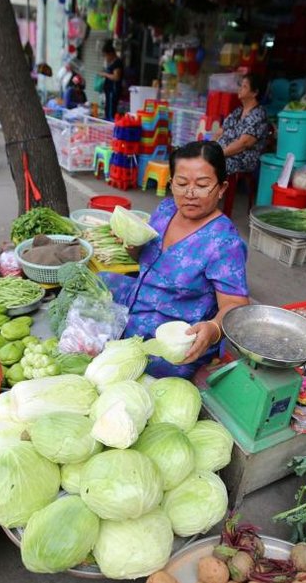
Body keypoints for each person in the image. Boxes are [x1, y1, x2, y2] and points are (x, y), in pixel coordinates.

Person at [102, 141, 251, 379]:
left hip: (171, 334)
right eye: (181, 184)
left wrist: (212, 329)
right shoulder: (166, 209)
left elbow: (235, 304)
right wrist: (132, 244)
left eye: (202, 185)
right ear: (171, 184)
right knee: (91, 291)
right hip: (134, 303)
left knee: (138, 372)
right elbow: (144, 259)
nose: (189, 193)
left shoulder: (224, 242)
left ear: (222, 188)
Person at [214, 73, 270, 175]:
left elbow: (243, 144)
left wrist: (219, 154)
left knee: (210, 166)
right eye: (240, 85)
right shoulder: (238, 111)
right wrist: (210, 148)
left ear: (254, 93)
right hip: (222, 153)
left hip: (241, 158)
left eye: (244, 86)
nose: (240, 89)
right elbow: (219, 131)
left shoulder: (258, 115)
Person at [96, 40, 123, 121]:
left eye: (105, 56)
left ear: (111, 54)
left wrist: (105, 74)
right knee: (107, 110)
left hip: (113, 91)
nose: (105, 58)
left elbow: (116, 77)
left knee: (111, 113)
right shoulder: (112, 63)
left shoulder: (117, 63)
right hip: (109, 91)